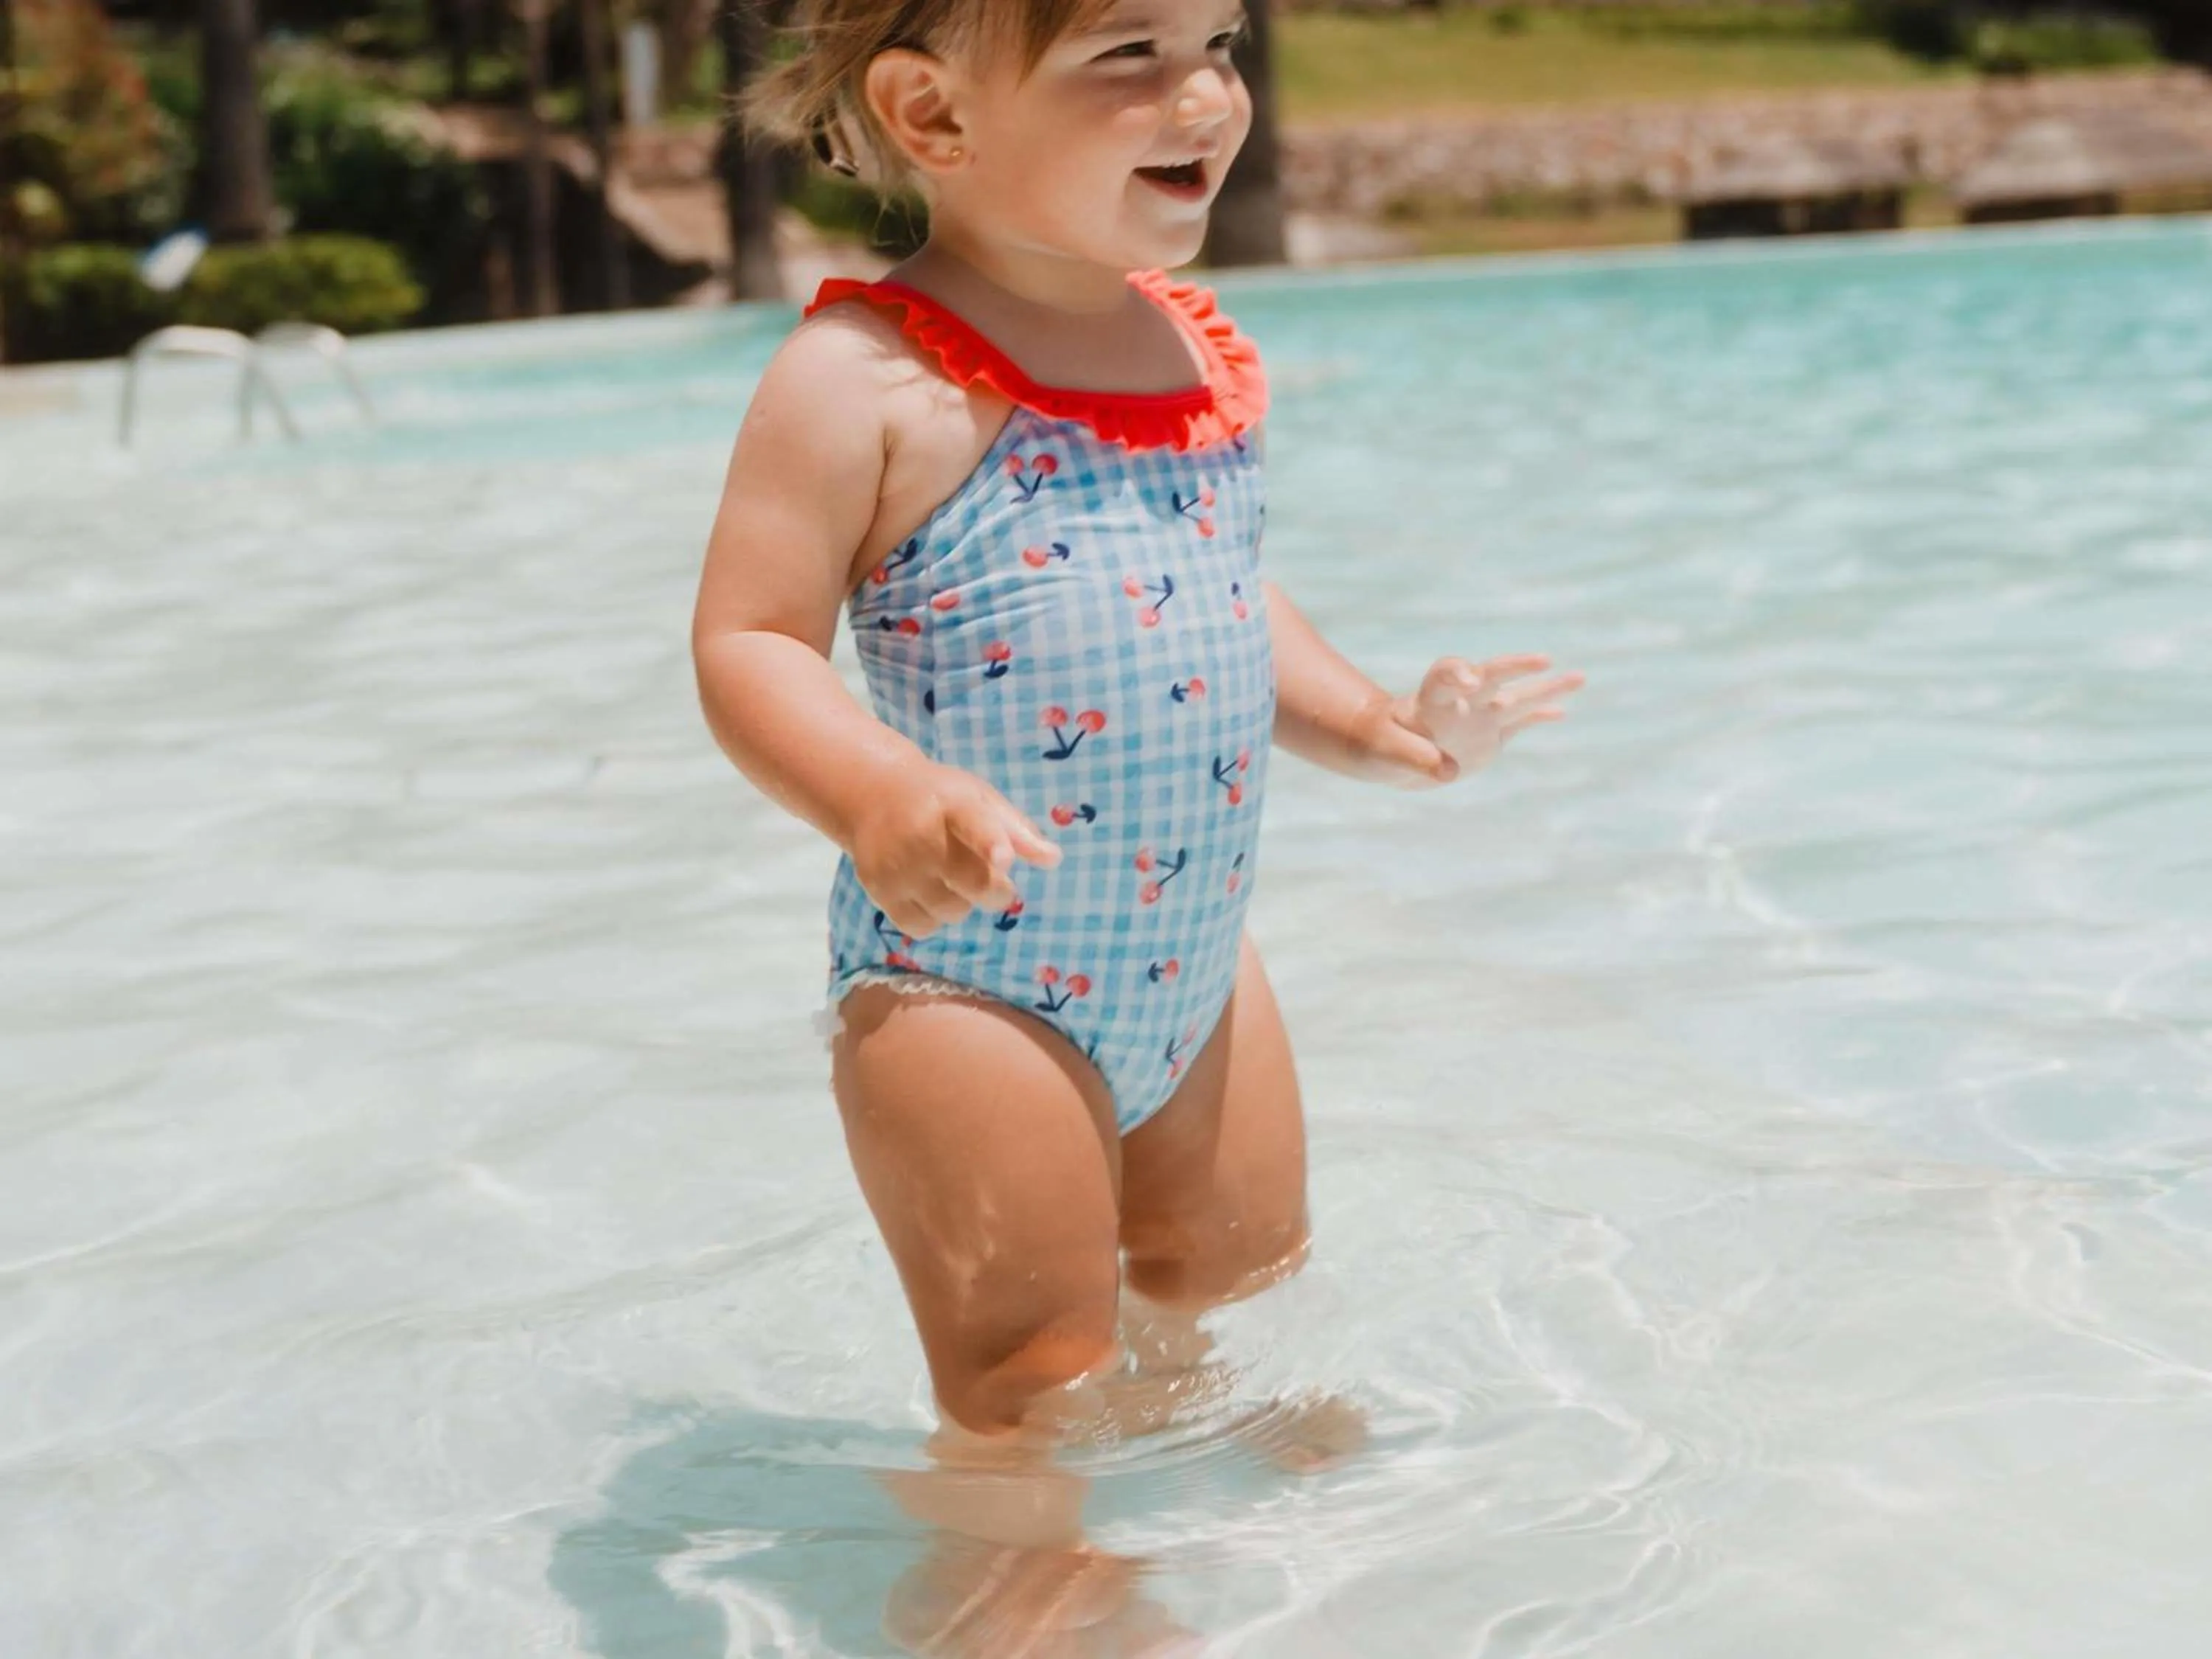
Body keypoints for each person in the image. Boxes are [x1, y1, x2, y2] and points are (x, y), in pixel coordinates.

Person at [691, 0, 1584, 1644]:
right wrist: (878, 791)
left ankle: (1254, 1528)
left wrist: (1384, 726)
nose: (1204, 96)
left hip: (1194, 960)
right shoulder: (861, 378)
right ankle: (1016, 1587)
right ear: (935, 117)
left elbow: (1225, 588)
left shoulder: (1188, 339)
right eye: (1127, 54)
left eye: (1221, 41)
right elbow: (748, 642)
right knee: (1031, 1374)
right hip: (974, 984)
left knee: (1236, 1289)